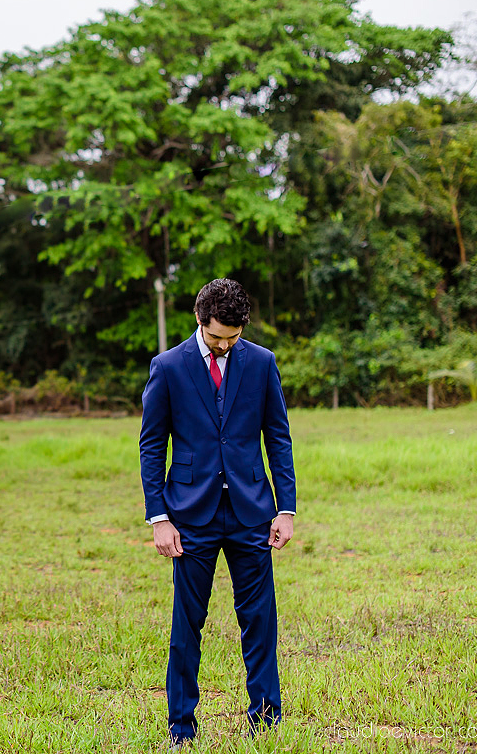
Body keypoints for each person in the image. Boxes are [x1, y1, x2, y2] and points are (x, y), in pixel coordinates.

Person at [138, 278, 296, 747]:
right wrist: (159, 517)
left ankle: (266, 721)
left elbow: (278, 437)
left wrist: (285, 508)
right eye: (216, 337)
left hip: (252, 513)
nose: (225, 345)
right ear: (198, 319)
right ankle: (181, 727)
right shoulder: (167, 367)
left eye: (234, 336)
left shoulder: (262, 362)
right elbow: (151, 445)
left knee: (260, 621)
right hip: (189, 516)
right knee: (187, 626)